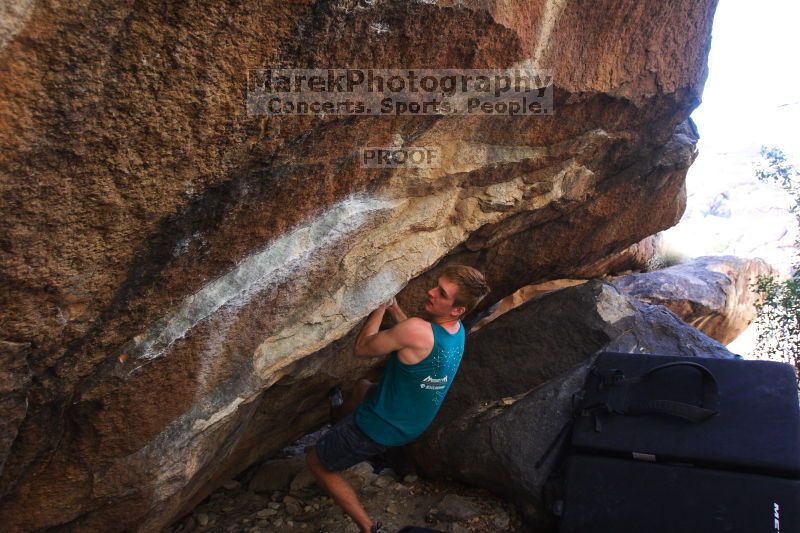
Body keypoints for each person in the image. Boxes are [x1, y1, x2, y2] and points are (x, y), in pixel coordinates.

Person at [306, 265, 490, 533]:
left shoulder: (417, 330)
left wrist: (379, 306)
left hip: (379, 426)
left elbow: (362, 348)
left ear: (456, 309)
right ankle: (337, 422)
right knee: (362, 387)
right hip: (412, 422)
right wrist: (394, 308)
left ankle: (369, 527)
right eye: (436, 286)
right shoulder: (456, 330)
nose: (430, 292)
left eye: (441, 293)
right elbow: (413, 336)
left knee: (317, 462)